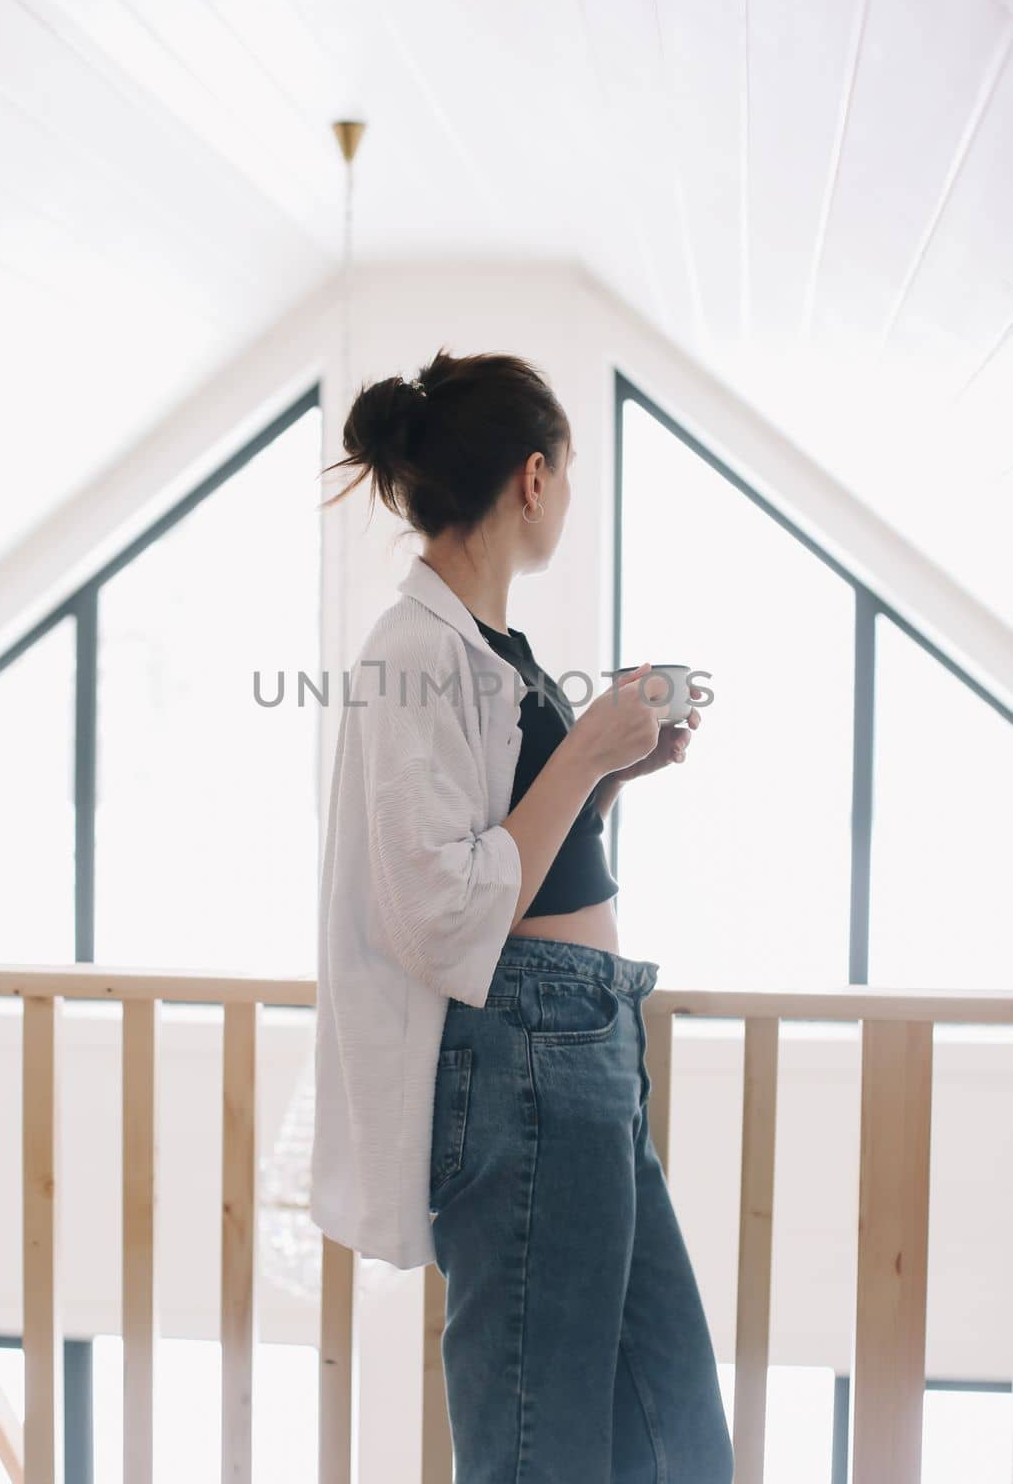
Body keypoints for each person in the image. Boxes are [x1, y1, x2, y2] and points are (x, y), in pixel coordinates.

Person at [311, 347, 733, 1482]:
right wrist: (585, 746)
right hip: (526, 1051)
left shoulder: (494, 651)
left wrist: (603, 775)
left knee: (673, 1434)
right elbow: (436, 907)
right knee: (538, 1444)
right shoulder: (408, 652)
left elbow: (515, 847)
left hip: (589, 1043)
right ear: (534, 477)